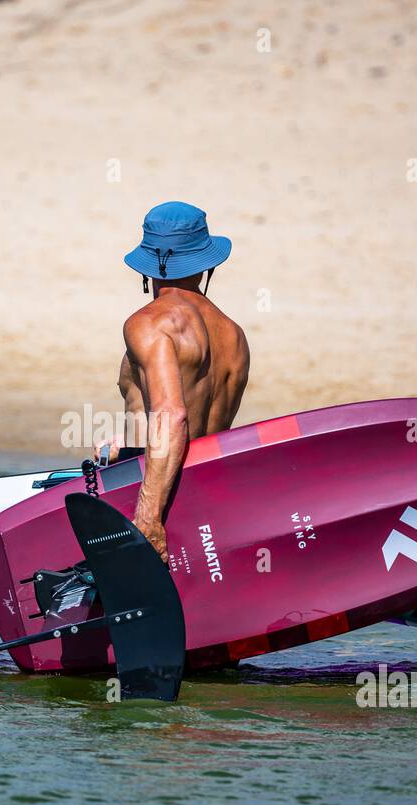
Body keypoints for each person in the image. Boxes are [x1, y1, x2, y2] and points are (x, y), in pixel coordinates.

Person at [103, 201, 250, 561]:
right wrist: (129, 439)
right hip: (207, 501)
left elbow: (173, 416)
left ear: (148, 265)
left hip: (157, 497)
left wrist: (148, 519)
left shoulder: (150, 322)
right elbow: (196, 417)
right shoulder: (234, 335)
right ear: (207, 262)